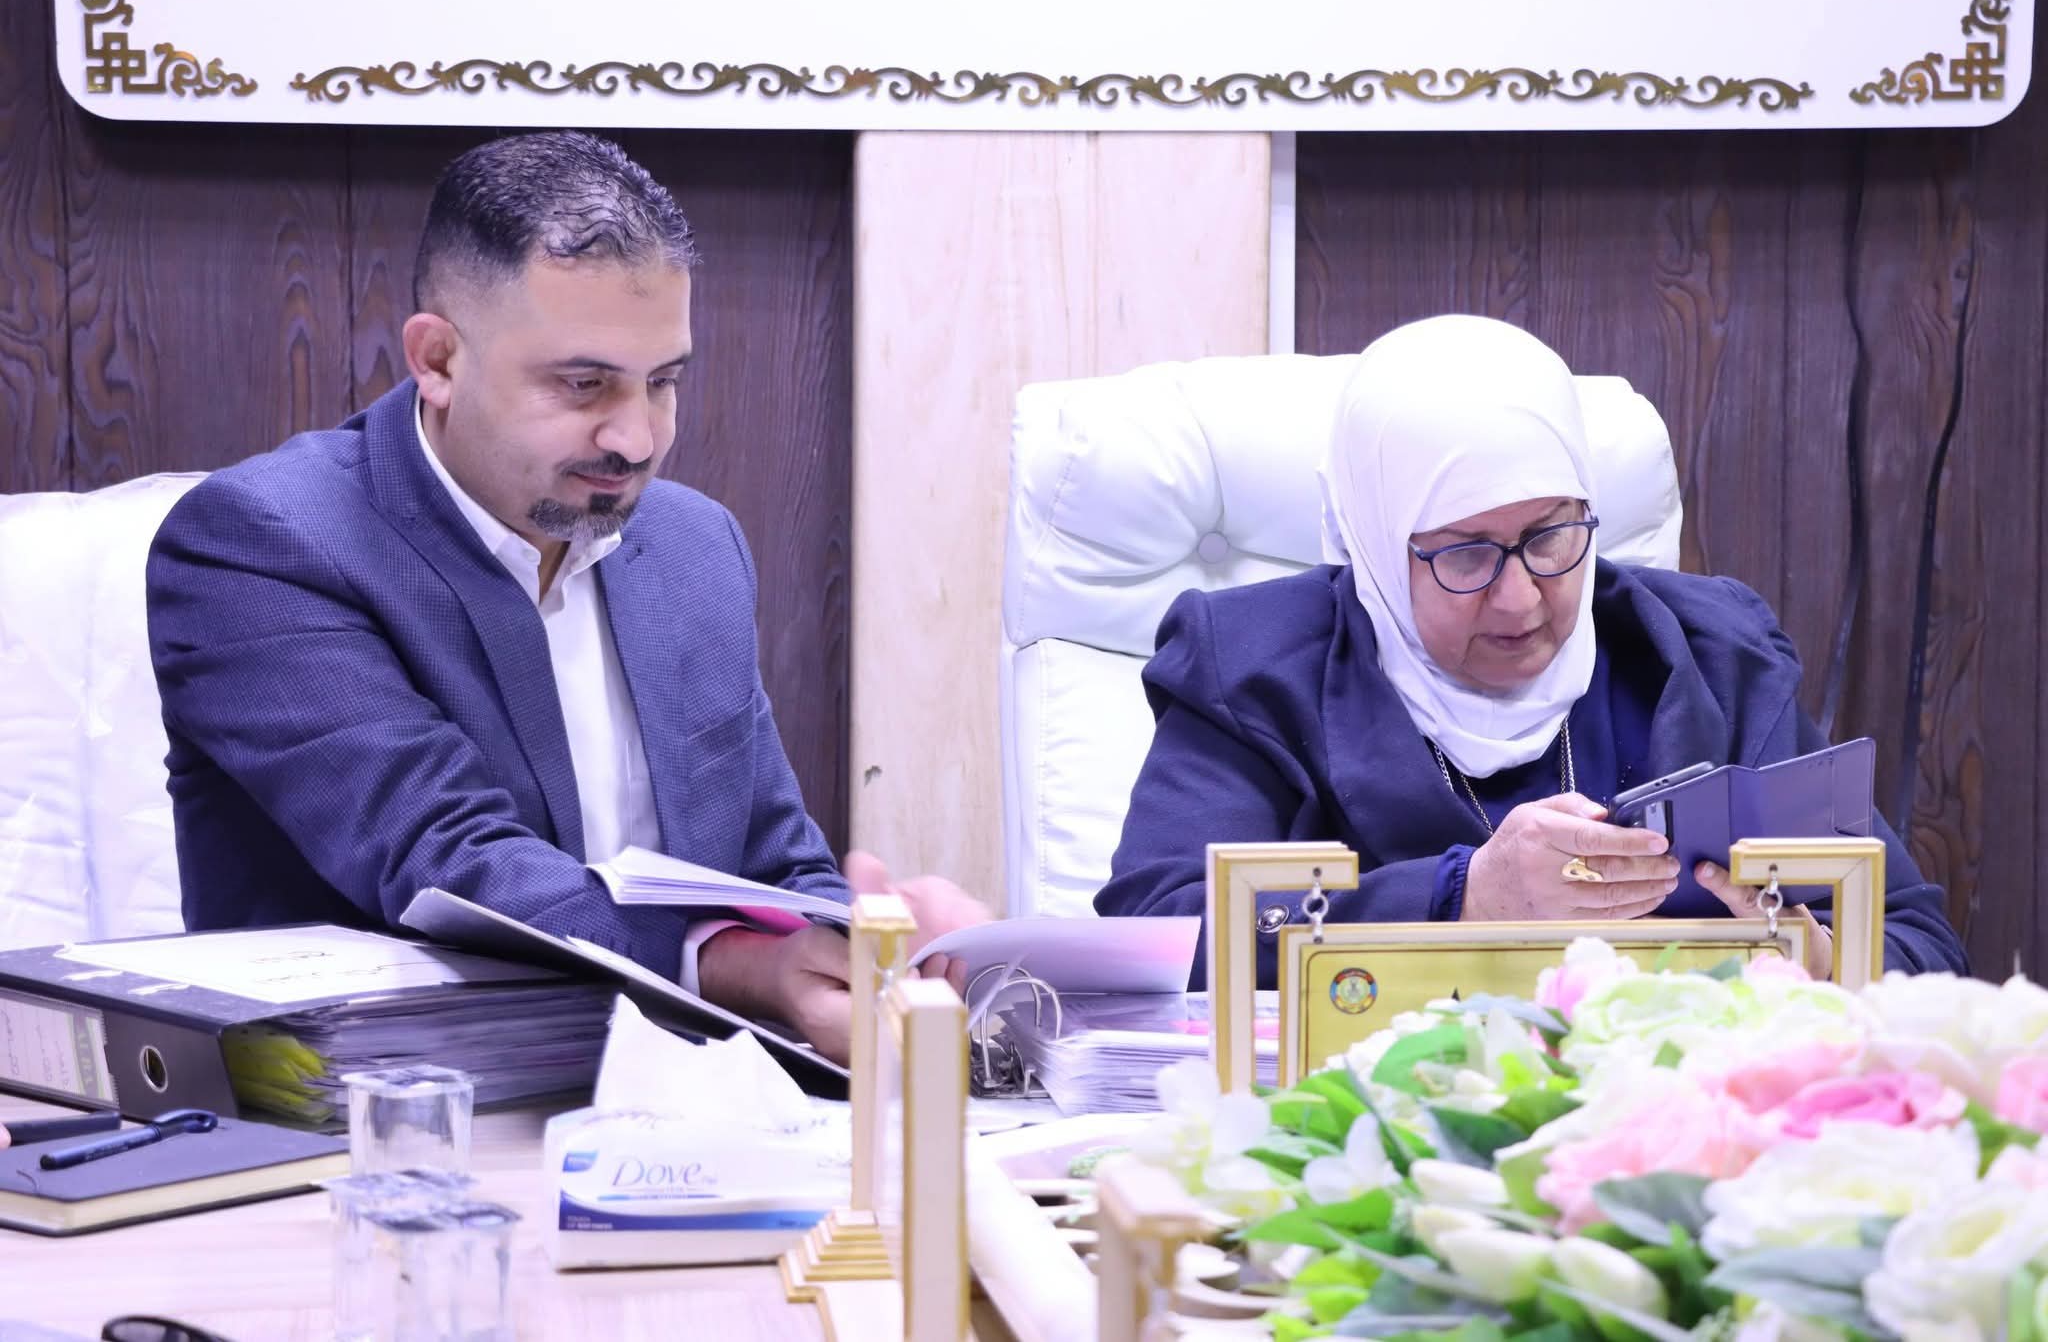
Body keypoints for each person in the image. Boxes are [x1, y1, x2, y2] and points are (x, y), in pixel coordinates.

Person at [145, 131, 985, 1062]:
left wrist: (875, 941)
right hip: (389, 1106)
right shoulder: (260, 545)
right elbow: (452, 860)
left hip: (704, 1105)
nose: (636, 438)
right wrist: (740, 963)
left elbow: (771, 864)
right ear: (438, 359)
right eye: (584, 384)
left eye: (662, 382)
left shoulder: (693, 545)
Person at [1096, 315, 1966, 985]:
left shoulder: (1711, 657)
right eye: (1465, 554)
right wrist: (1464, 898)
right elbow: (1159, 935)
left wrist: (1808, 955)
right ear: (1376, 544)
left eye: (1551, 536)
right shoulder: (1250, 668)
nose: (1520, 598)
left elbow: (1918, 939)